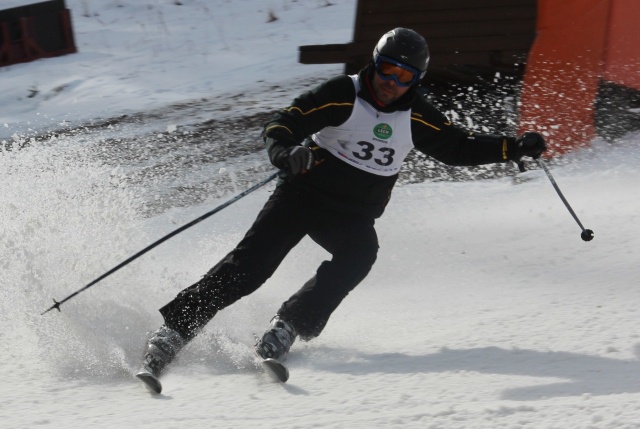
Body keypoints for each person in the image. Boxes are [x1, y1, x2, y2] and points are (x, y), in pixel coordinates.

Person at [136, 27, 546, 392]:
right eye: (387, 69)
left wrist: (511, 148)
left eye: (404, 77)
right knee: (251, 268)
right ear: (374, 64)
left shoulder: (417, 113)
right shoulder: (342, 93)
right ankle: (173, 332)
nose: (391, 82)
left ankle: (288, 326)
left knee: (359, 255)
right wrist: (285, 152)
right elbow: (284, 122)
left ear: (416, 80)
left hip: (351, 213)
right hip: (302, 194)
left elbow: (458, 147)